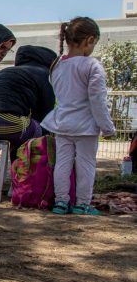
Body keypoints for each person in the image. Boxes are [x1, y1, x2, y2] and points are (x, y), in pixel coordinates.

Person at [41, 17, 116, 215]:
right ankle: (82, 204)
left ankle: (61, 202)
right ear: (89, 40)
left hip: (62, 124)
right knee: (86, 164)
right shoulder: (92, 66)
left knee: (62, 164)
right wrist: (107, 128)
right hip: (86, 126)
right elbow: (97, 100)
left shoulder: (56, 65)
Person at [0, 45, 58, 162]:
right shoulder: (44, 75)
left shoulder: (9, 71)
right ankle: (26, 173)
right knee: (39, 130)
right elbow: (45, 116)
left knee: (24, 127)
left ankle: (18, 170)